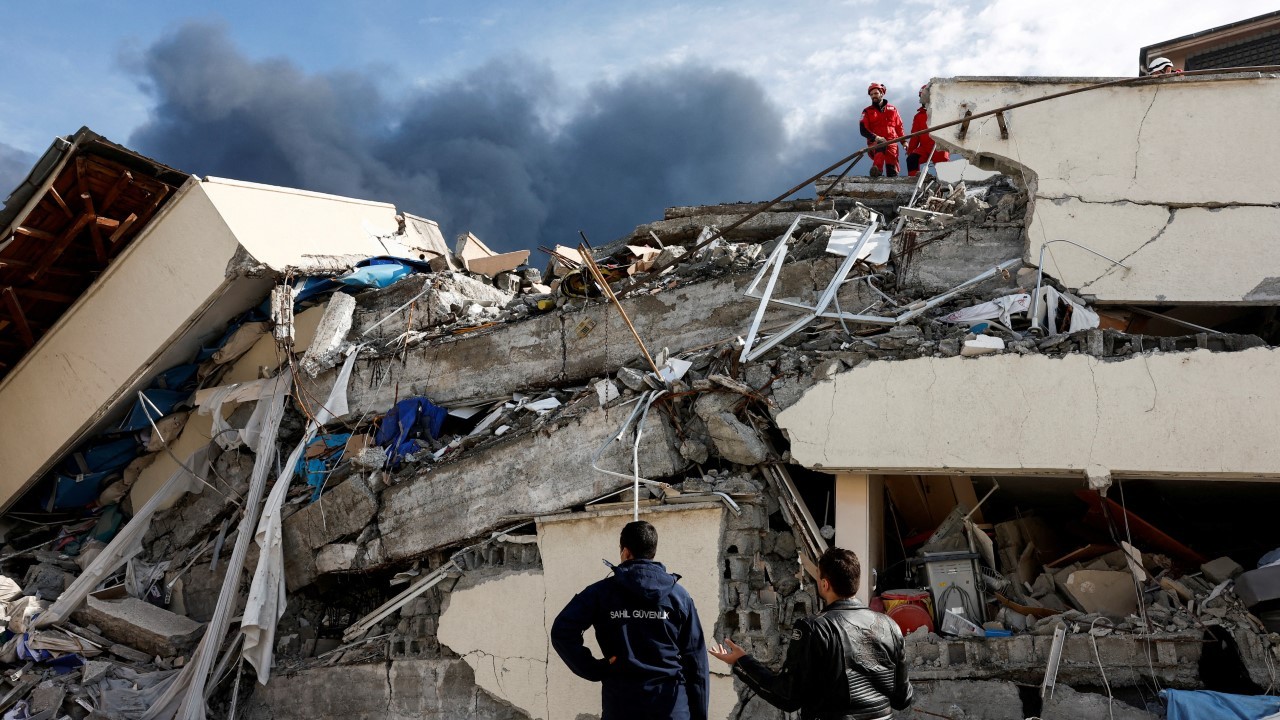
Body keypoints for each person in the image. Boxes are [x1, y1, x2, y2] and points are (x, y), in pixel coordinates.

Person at [709, 547, 912, 720]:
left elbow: (787, 697)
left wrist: (742, 661)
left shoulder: (814, 628)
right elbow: (902, 698)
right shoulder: (889, 625)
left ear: (825, 584)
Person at [551, 520, 709, 720]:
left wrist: (595, 669)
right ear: (653, 552)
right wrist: (699, 715)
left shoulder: (600, 593)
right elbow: (696, 661)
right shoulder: (679, 597)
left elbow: (562, 631)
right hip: (671, 707)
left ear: (625, 552)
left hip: (622, 706)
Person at [860, 83, 905, 177]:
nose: (873, 96)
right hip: (875, 144)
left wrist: (904, 142)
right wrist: (876, 138)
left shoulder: (893, 109)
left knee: (892, 171)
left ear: (882, 93)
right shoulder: (867, 111)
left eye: (875, 93)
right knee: (881, 144)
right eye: (871, 95)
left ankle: (892, 181)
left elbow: (899, 127)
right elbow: (863, 129)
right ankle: (876, 170)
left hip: (892, 143)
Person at [906, 85, 950, 177]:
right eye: (922, 96)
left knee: (943, 169)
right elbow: (915, 136)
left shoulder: (942, 112)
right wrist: (910, 151)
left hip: (939, 146)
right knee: (912, 159)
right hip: (924, 147)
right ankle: (913, 180)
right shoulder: (918, 116)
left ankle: (947, 185)